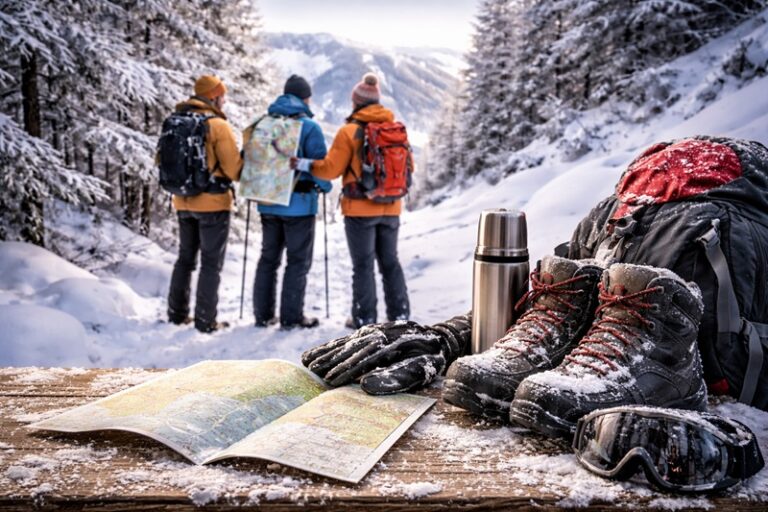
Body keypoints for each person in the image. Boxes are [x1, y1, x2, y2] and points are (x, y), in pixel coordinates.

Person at [292, 73, 410, 329]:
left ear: (355, 101)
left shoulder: (349, 131)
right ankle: (400, 317)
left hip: (359, 210)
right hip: (391, 206)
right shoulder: (395, 129)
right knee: (390, 262)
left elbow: (330, 170)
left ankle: (364, 319)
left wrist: (304, 164)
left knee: (363, 265)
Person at [251, 75, 331, 329]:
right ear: (305, 98)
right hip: (299, 205)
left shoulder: (262, 123)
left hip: (267, 201)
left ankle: (262, 316)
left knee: (268, 259)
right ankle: (291, 318)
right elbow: (322, 169)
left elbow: (249, 161)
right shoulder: (309, 127)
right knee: (297, 262)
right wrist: (325, 187)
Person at [166, 75, 242, 333]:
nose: (225, 101)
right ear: (214, 96)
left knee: (185, 259)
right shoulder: (217, 125)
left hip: (182, 201)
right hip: (213, 204)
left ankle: (176, 314)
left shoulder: (175, 120)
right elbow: (234, 170)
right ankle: (205, 320)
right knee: (211, 262)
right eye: (222, 96)